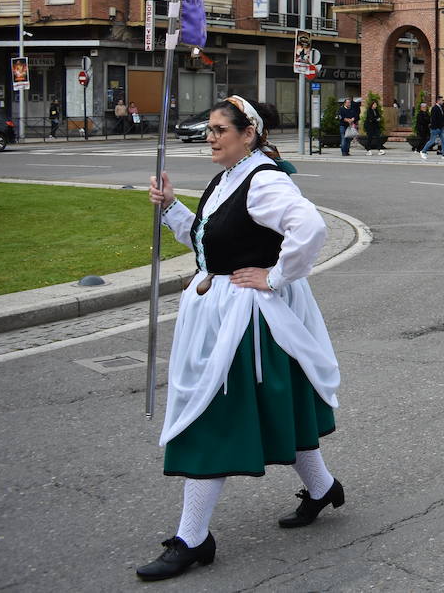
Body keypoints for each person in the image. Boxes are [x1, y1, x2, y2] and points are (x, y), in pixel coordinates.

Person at [138, 97, 342, 581]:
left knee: (213, 416)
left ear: (247, 133)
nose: (210, 136)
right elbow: (211, 243)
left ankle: (192, 537)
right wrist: (171, 209)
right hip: (221, 313)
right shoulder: (227, 177)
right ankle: (323, 488)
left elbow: (310, 227)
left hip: (245, 322)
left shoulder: (263, 179)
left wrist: (275, 277)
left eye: (218, 129)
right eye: (208, 129)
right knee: (279, 410)